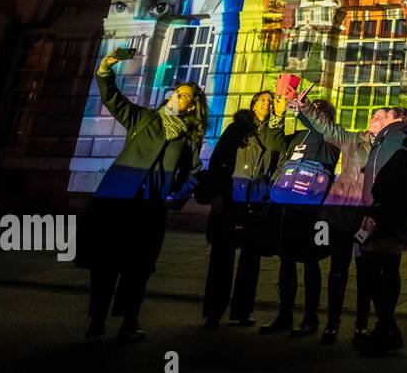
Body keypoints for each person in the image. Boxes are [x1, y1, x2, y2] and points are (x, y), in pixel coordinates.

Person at [76, 49, 206, 341]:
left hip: (150, 207)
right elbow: (114, 100)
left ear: (191, 106)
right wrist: (106, 68)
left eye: (185, 95)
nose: (177, 96)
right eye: (177, 92)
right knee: (105, 264)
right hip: (118, 202)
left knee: (137, 269)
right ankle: (96, 321)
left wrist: (176, 197)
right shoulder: (145, 119)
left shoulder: (189, 138)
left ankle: (128, 322)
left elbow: (195, 172)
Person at [287, 96, 388, 346]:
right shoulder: (354, 140)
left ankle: (361, 324)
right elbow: (327, 127)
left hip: (366, 218)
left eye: (382, 117)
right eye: (374, 115)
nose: (375, 118)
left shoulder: (390, 148)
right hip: (338, 215)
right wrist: (305, 107)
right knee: (336, 270)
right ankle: (331, 323)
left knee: (365, 273)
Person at [201, 90, 287, 328]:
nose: (267, 104)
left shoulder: (274, 132)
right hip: (232, 197)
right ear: (253, 105)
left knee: (251, 260)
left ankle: (243, 310)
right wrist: (217, 194)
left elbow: (280, 163)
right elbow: (218, 161)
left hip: (258, 200)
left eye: (270, 101)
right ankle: (214, 311)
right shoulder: (236, 128)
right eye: (262, 100)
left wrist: (271, 188)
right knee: (222, 256)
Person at [261, 98, 341, 338]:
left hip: (312, 209)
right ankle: (284, 314)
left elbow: (318, 125)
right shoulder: (300, 136)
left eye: (317, 110)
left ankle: (310, 317)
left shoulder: (331, 138)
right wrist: (277, 114)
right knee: (286, 260)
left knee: (310, 261)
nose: (311, 112)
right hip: (287, 204)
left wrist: (303, 110)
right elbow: (274, 141)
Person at [356, 108, 407, 357]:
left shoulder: (395, 142)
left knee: (378, 273)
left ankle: (388, 330)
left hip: (385, 220)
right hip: (390, 218)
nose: (378, 119)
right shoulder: (394, 140)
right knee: (384, 271)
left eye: (384, 116)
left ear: (397, 120)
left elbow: (387, 185)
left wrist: (373, 214)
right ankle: (384, 328)